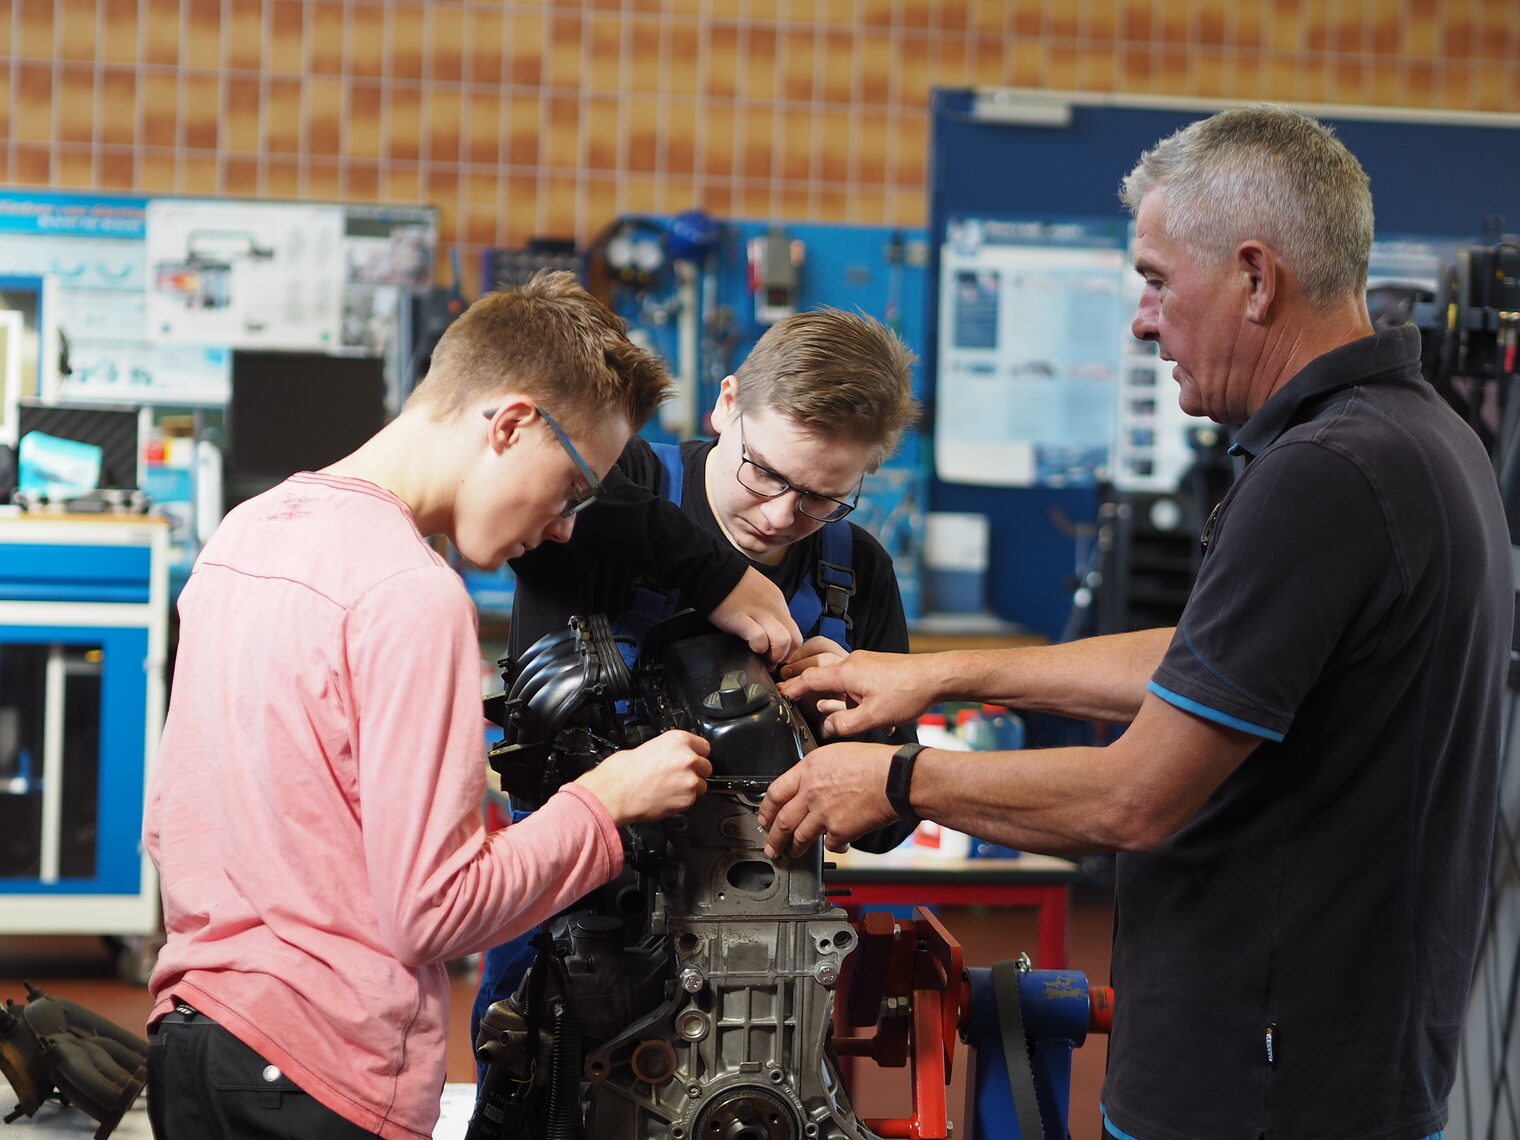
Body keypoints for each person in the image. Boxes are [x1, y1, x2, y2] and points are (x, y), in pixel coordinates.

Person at [764, 105, 1513, 1140]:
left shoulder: (1325, 473)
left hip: (1259, 1097)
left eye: (1158, 281)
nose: (1140, 319)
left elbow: (1132, 799)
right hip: (1340, 1074)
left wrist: (893, 778)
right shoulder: (1417, 435)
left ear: (1254, 278)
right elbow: (1213, 661)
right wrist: (941, 678)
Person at [142, 271, 803, 1140]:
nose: (568, 525)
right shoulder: (408, 593)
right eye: (572, 487)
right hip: (317, 1075)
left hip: (195, 1043)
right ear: (512, 423)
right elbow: (436, 911)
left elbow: (173, 822)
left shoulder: (247, 534)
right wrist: (607, 804)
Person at [470, 306, 922, 1056]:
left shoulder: (854, 571)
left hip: (758, 954)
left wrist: (845, 720)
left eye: (820, 497)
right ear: (726, 403)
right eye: (766, 472)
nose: (782, 515)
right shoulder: (618, 477)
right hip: (562, 926)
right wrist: (714, 577)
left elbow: (890, 826)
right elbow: (509, 450)